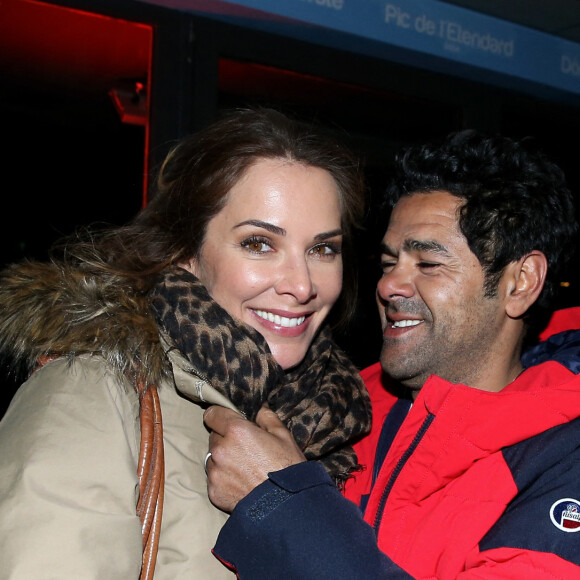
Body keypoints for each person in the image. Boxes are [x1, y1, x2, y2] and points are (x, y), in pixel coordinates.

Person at [0, 108, 372, 579]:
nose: (301, 285)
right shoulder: (94, 393)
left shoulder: (344, 417)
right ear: (184, 252)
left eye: (322, 249)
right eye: (259, 243)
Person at [204, 130, 580, 579]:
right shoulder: (338, 411)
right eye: (387, 264)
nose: (388, 286)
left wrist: (282, 502)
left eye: (428, 264)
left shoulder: (562, 460)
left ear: (520, 283)